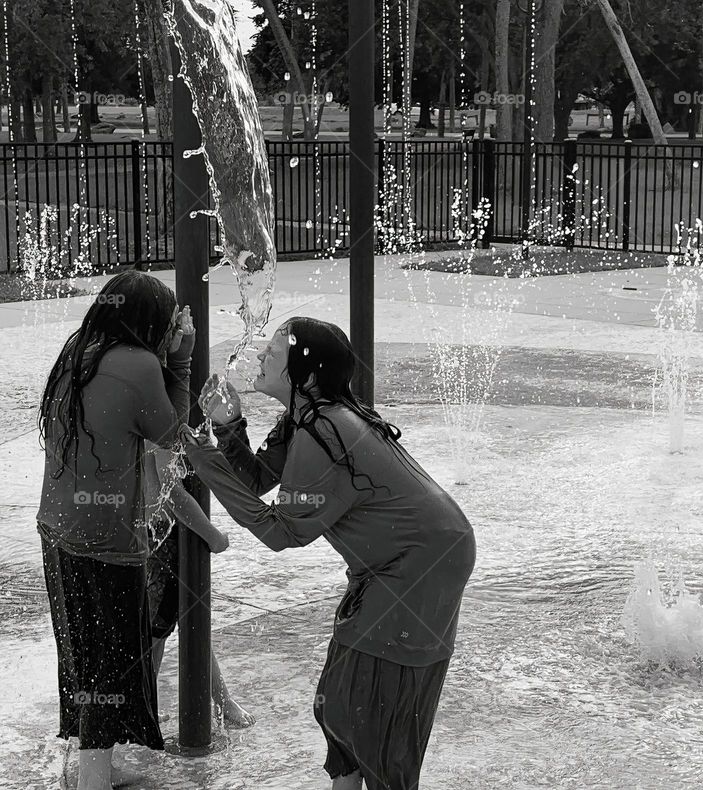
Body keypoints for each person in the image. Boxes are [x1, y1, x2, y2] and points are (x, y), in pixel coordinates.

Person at [179, 317, 476, 790]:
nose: (259, 356)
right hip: (408, 558)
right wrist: (229, 427)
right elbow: (259, 481)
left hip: (418, 565)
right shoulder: (308, 419)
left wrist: (206, 461)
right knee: (340, 706)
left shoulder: (326, 430)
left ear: (307, 375)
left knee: (374, 722)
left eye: (273, 352)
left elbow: (280, 531)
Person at [36, 270, 193, 790]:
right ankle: (93, 780)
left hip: (56, 531)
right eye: (168, 322)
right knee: (110, 665)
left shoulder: (79, 348)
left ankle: (85, 768)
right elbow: (172, 435)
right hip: (104, 540)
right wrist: (181, 359)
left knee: (82, 654)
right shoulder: (141, 363)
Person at [143, 443, 255, 728]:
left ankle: (219, 700)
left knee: (186, 624)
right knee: (159, 631)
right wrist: (213, 535)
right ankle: (145, 708)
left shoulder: (161, 413)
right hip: (165, 537)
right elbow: (172, 492)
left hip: (160, 533)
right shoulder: (165, 420)